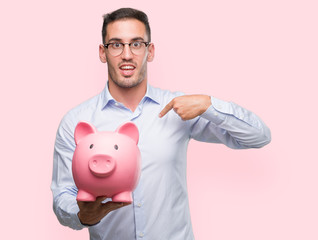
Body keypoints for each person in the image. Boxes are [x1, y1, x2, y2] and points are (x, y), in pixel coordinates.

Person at [51, 7, 271, 240]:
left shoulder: (179, 108)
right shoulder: (76, 121)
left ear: (150, 51)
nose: (127, 55)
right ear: (102, 53)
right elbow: (62, 196)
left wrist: (209, 105)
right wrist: (83, 215)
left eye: (136, 44)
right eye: (116, 44)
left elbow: (258, 136)